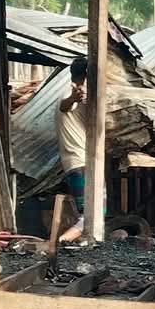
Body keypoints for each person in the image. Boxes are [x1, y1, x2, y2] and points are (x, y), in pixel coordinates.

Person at [56, 57, 89, 245]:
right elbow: (65, 105)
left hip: (79, 161)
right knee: (91, 215)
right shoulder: (72, 93)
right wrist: (74, 98)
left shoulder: (80, 93)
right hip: (80, 161)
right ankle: (59, 242)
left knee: (94, 213)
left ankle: (82, 243)